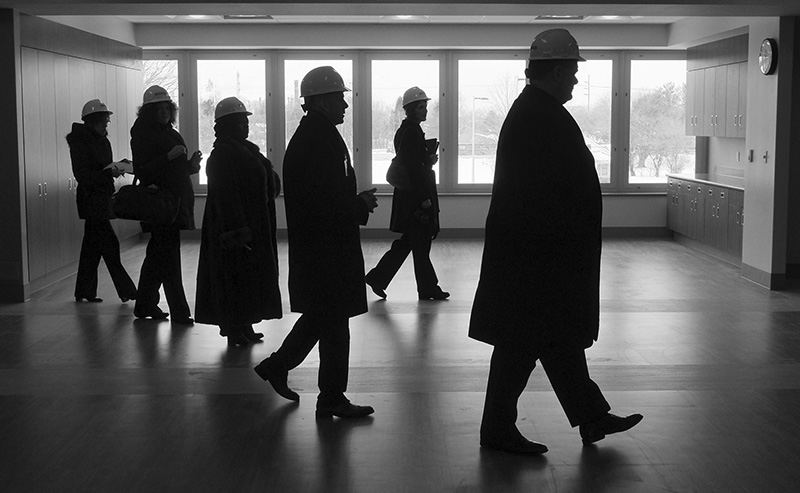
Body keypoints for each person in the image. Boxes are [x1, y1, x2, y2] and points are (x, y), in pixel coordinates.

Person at [469, 29, 643, 455]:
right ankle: (498, 430)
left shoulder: (536, 111)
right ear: (559, 69)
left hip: (536, 257)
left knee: (552, 340)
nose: (576, 81)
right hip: (538, 259)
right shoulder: (538, 115)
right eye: (573, 71)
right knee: (523, 344)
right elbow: (543, 195)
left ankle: (590, 416)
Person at [254, 66, 378, 419]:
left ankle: (286, 371)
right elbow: (323, 202)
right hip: (326, 250)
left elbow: (325, 196)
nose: (345, 105)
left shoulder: (316, 135)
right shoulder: (317, 140)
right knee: (332, 322)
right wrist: (357, 204)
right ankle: (327, 395)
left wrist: (354, 202)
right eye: (340, 97)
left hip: (323, 249)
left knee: (326, 319)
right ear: (322, 101)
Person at [194, 97, 282, 346]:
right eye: (241, 121)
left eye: (246, 121)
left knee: (247, 278)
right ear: (228, 124)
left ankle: (245, 323)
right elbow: (226, 195)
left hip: (251, 225)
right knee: (233, 278)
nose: (246, 125)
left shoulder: (244, 149)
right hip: (233, 229)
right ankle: (234, 327)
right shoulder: (222, 154)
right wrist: (238, 229)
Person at [364, 87, 449, 301]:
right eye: (421, 107)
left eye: (425, 106)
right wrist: (425, 199)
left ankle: (379, 278)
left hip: (410, 198)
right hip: (417, 199)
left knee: (411, 243)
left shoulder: (406, 131)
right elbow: (414, 168)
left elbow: (411, 163)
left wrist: (425, 160)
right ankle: (427, 288)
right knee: (419, 244)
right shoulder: (412, 132)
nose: (425, 111)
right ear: (410, 110)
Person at [131, 85, 200, 324]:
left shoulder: (169, 132)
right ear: (149, 111)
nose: (164, 113)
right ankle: (179, 312)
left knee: (158, 257)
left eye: (166, 108)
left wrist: (191, 165)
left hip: (174, 202)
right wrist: (169, 157)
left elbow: (177, 168)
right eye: (158, 109)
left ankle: (144, 304)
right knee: (167, 258)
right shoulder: (143, 133)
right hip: (161, 204)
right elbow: (143, 170)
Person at [66, 99, 137, 304]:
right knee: (110, 245)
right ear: (92, 121)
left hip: (102, 198)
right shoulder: (80, 143)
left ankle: (84, 291)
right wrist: (108, 173)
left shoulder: (101, 140)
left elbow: (99, 169)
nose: (106, 125)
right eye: (104, 122)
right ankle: (128, 291)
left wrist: (114, 170)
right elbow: (83, 175)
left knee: (92, 248)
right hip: (92, 201)